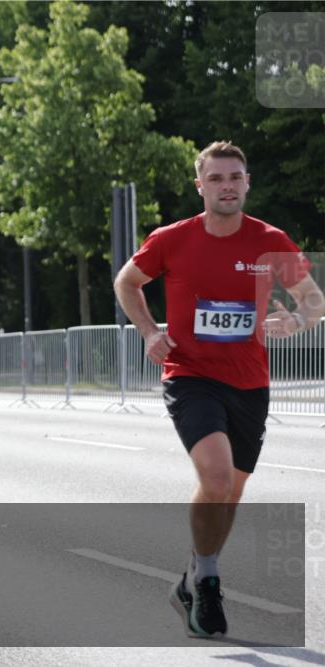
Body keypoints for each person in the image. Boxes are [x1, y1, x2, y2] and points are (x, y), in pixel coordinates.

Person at [114, 141, 324, 638]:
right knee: (214, 477)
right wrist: (149, 332)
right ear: (200, 186)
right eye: (216, 179)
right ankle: (208, 580)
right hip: (190, 374)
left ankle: (193, 574)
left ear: (247, 182)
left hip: (250, 382)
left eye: (235, 178)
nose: (227, 187)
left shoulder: (269, 239)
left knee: (231, 490)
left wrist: (295, 320)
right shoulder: (172, 238)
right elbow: (127, 282)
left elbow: (313, 300)